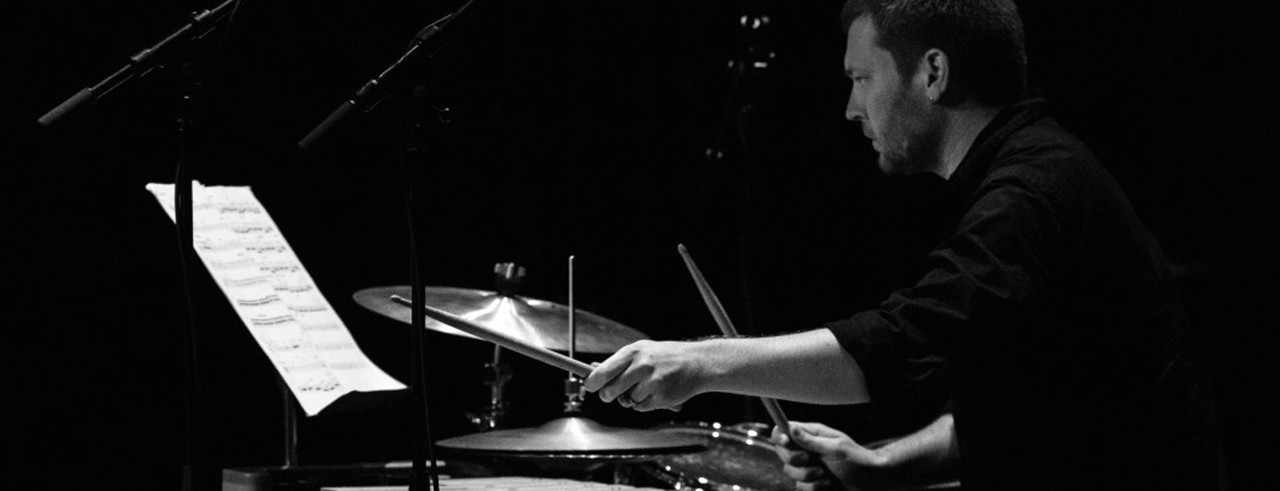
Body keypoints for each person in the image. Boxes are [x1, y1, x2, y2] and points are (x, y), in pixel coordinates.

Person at [584, 0, 1225, 489]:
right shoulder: (1024, 176)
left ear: (933, 72)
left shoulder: (1032, 195)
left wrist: (699, 367)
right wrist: (880, 465)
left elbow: (902, 343)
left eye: (862, 78)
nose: (851, 109)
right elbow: (1019, 404)